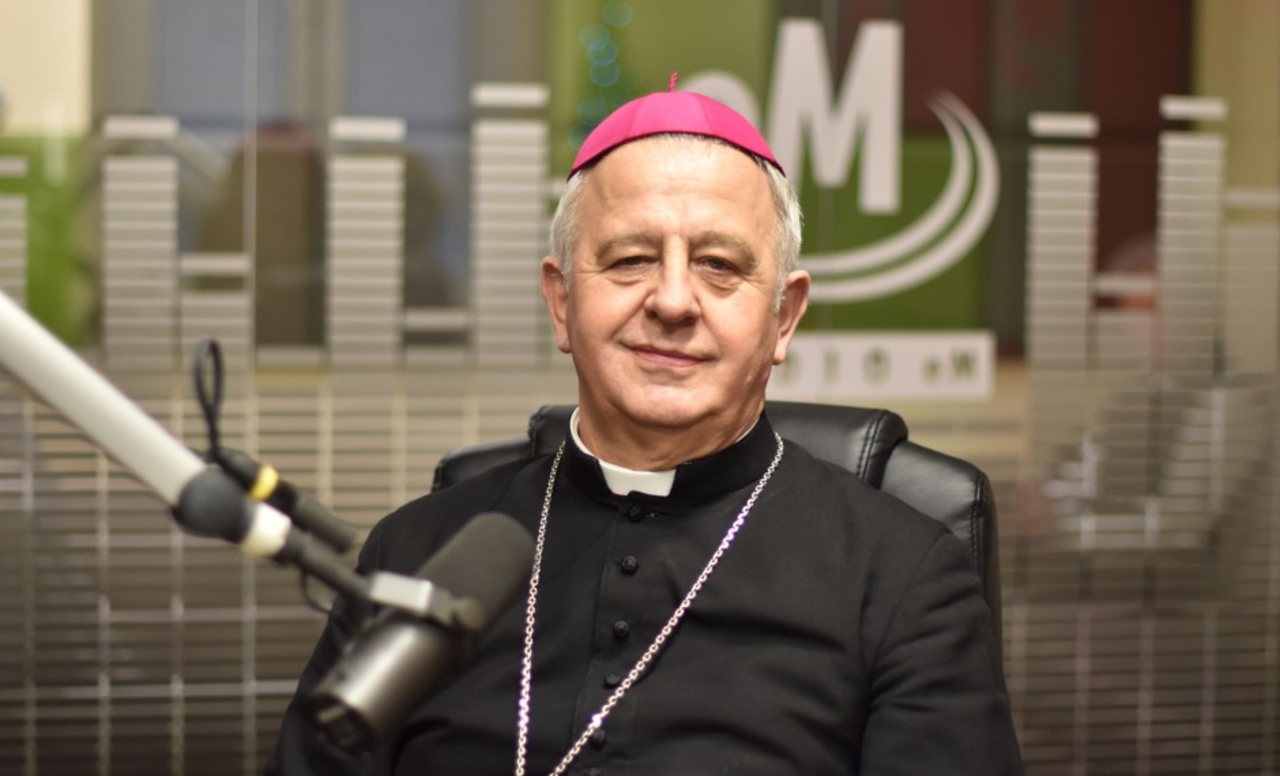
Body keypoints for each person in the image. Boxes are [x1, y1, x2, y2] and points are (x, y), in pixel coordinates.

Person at [269, 87, 1024, 774]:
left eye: (719, 265)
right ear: (561, 302)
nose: (672, 300)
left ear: (784, 317)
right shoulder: (416, 554)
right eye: (630, 259)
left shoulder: (905, 578)